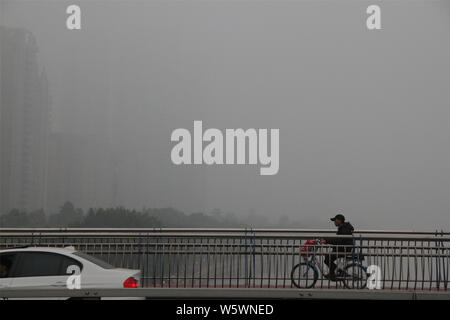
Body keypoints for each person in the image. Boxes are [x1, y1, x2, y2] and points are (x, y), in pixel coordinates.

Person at [320, 214, 354, 281]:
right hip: (342, 248)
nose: (334, 222)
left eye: (335, 220)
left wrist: (326, 240)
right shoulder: (343, 228)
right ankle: (338, 272)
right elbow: (337, 240)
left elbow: (338, 240)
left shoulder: (345, 229)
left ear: (339, 220)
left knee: (327, 258)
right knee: (328, 257)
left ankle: (333, 275)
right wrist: (326, 239)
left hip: (344, 250)